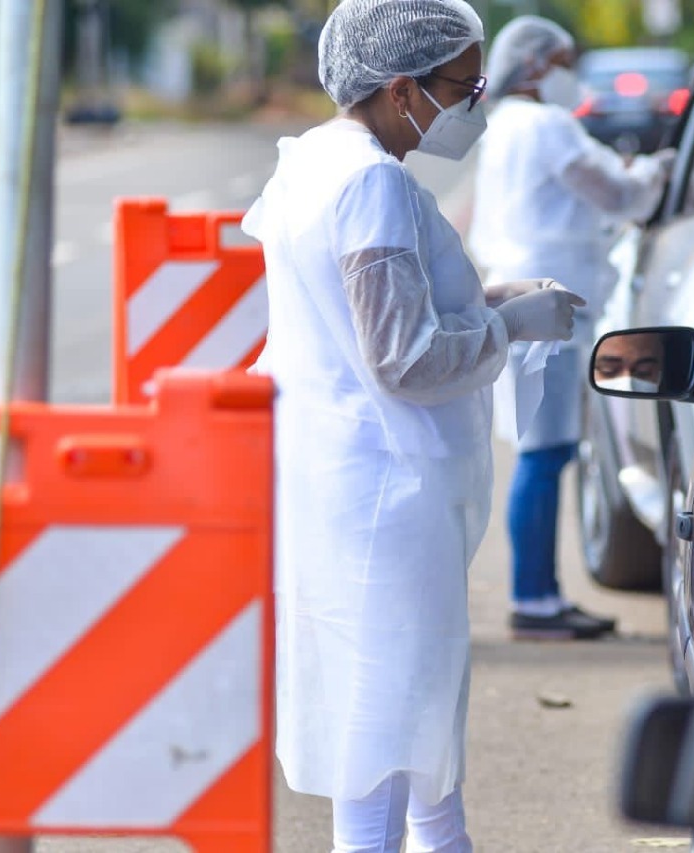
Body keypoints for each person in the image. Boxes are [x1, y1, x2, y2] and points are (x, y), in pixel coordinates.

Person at [241, 2, 585, 851]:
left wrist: (500, 301)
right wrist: (510, 328)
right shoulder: (372, 184)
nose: (476, 106)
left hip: (342, 482)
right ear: (401, 90)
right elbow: (403, 356)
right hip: (386, 495)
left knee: (406, 716)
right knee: (387, 723)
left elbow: (373, 317)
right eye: (463, 89)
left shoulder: (314, 161)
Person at [468, 16, 676, 641]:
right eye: (564, 58)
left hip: (523, 299)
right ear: (535, 65)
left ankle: (540, 594)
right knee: (545, 453)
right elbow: (615, 195)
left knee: (542, 452)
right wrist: (657, 172)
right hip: (548, 308)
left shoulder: (504, 125)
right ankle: (534, 600)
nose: (571, 70)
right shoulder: (545, 124)